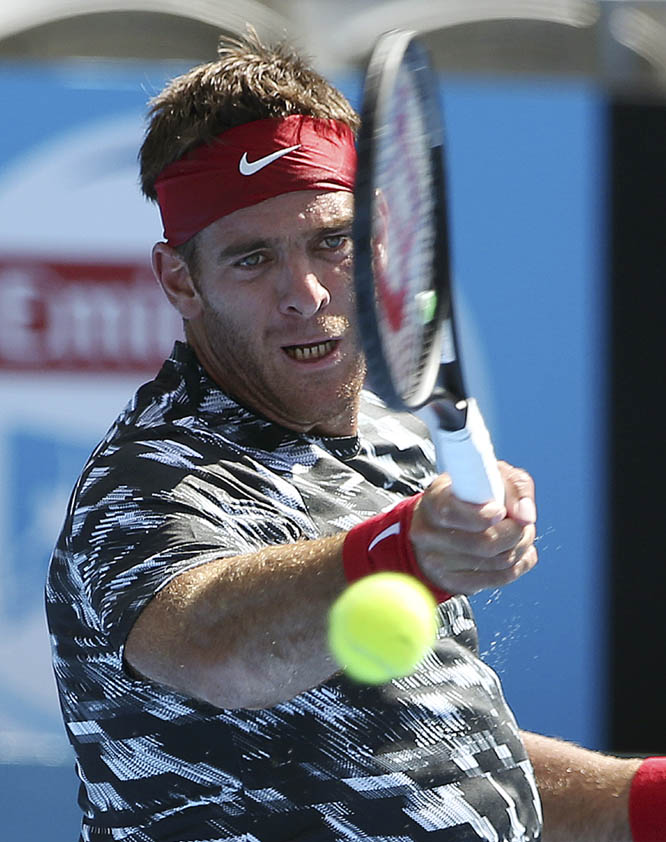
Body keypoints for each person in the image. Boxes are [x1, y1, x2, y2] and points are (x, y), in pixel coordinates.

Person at [46, 29, 658, 842]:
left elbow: (435, 750)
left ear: (378, 245)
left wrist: (641, 800)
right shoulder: (147, 480)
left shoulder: (395, 444)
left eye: (330, 242)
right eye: (252, 259)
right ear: (179, 280)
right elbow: (212, 646)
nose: (305, 293)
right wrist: (406, 552)